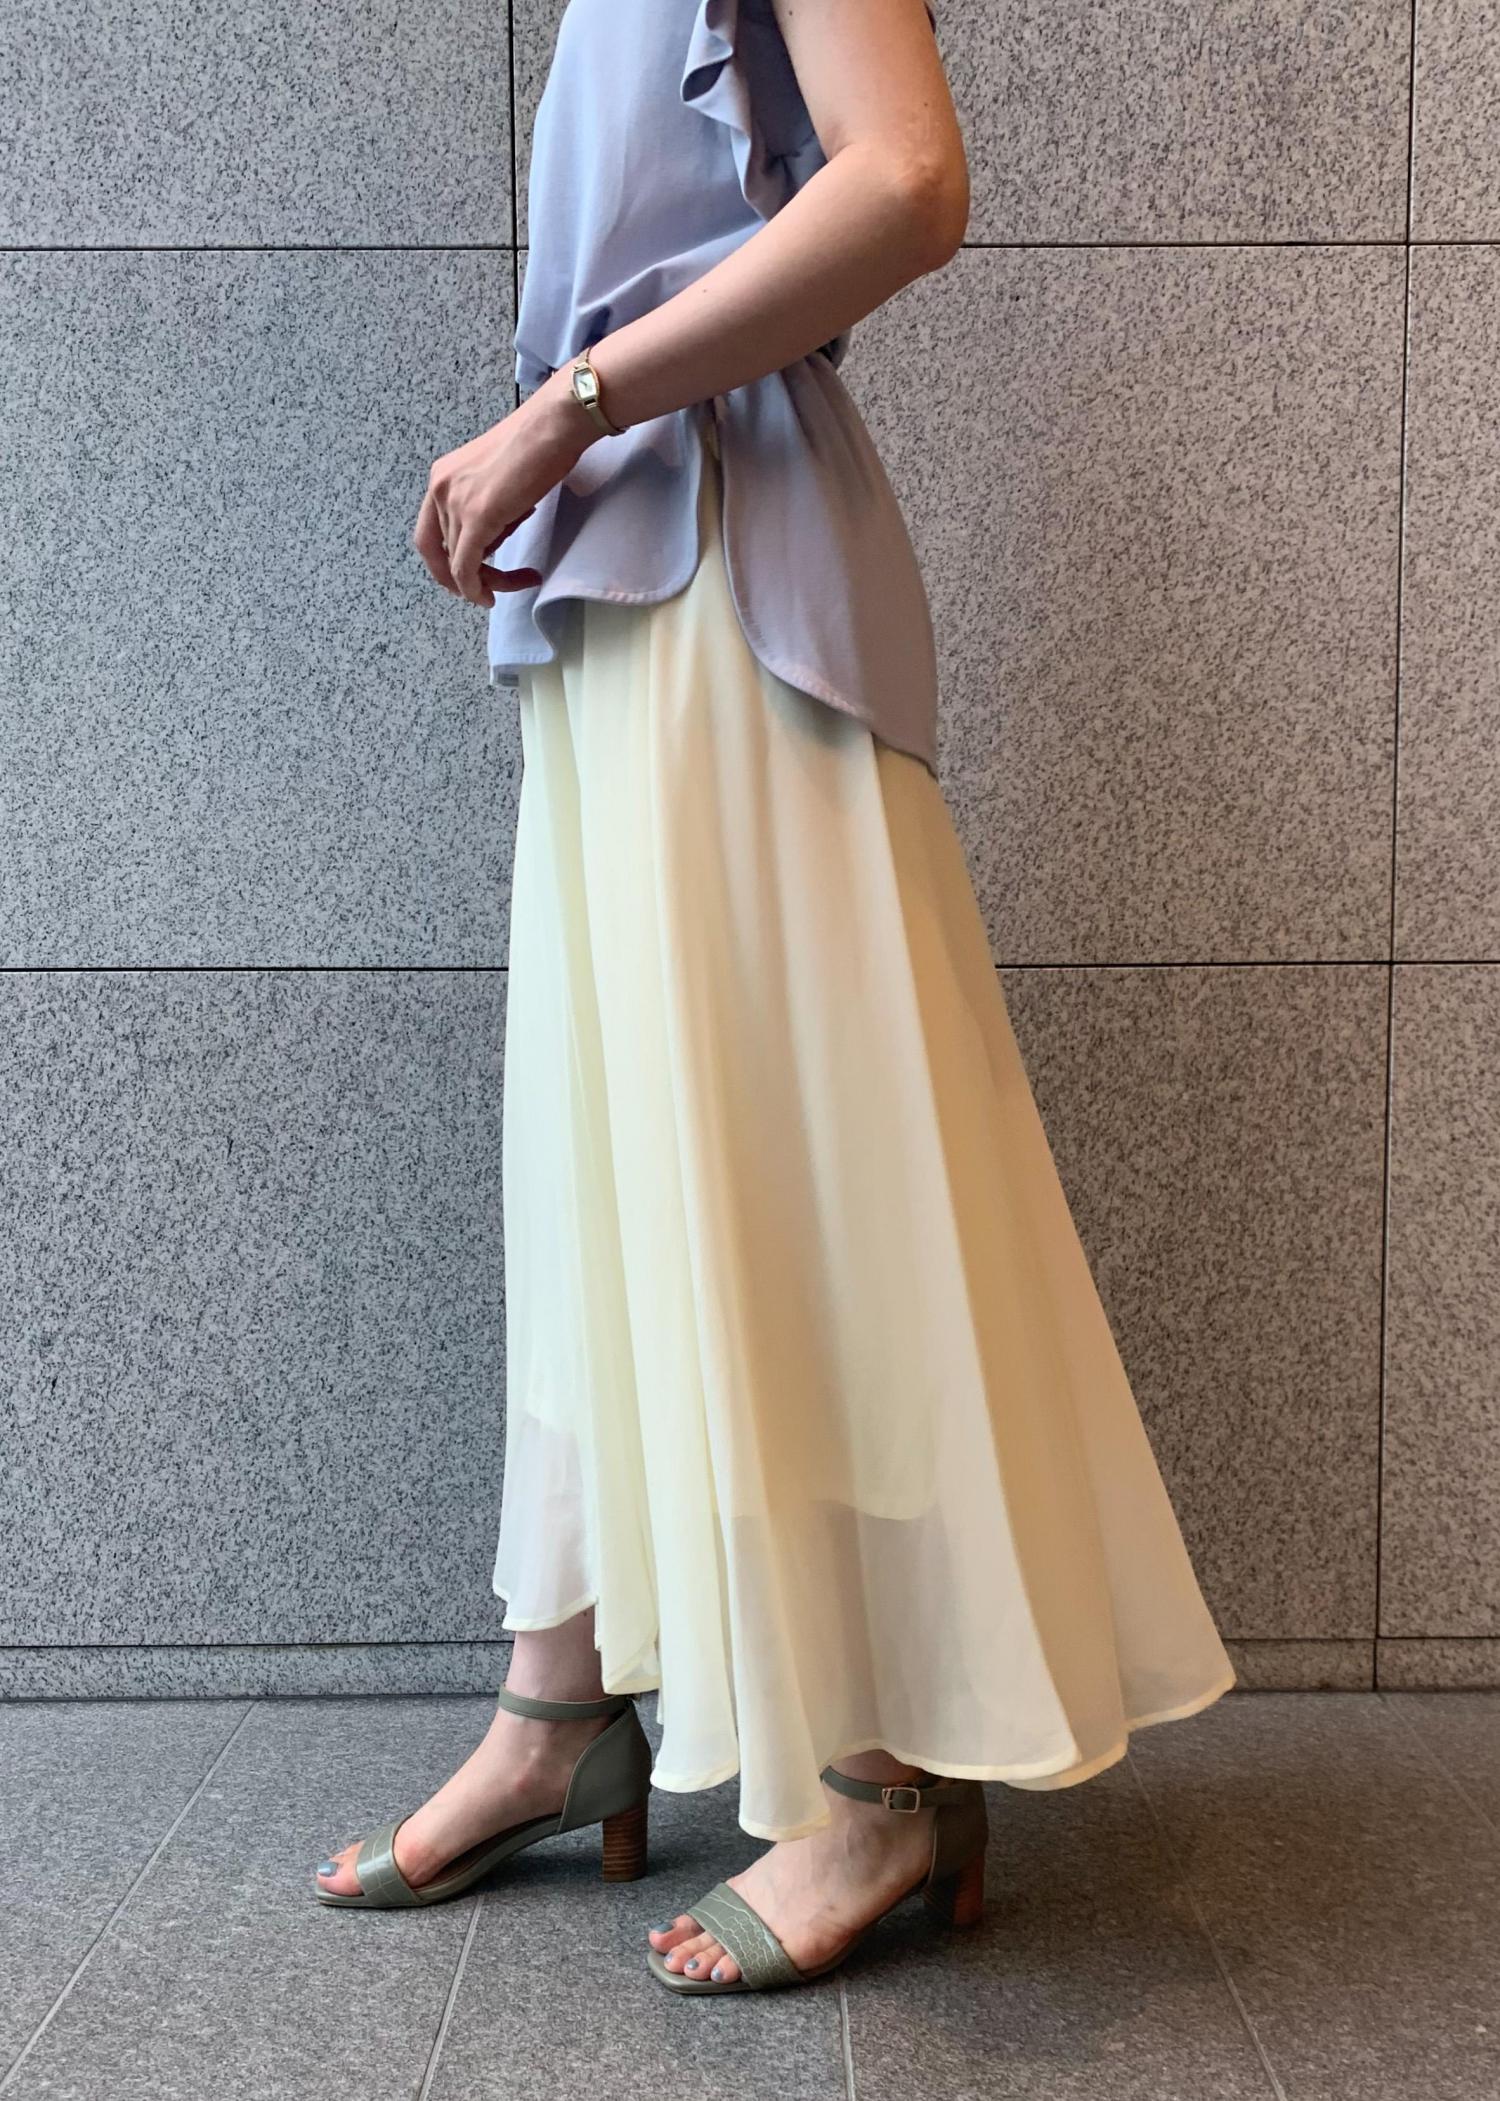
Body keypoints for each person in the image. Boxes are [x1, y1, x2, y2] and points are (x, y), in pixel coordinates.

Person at [312, 0, 1237, 1996]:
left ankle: (877, 1775)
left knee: (796, 1164)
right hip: (622, 596)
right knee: (609, 1170)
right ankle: (561, 1703)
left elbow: (908, 179)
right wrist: (574, 436)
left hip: (728, 579)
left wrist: (566, 408)